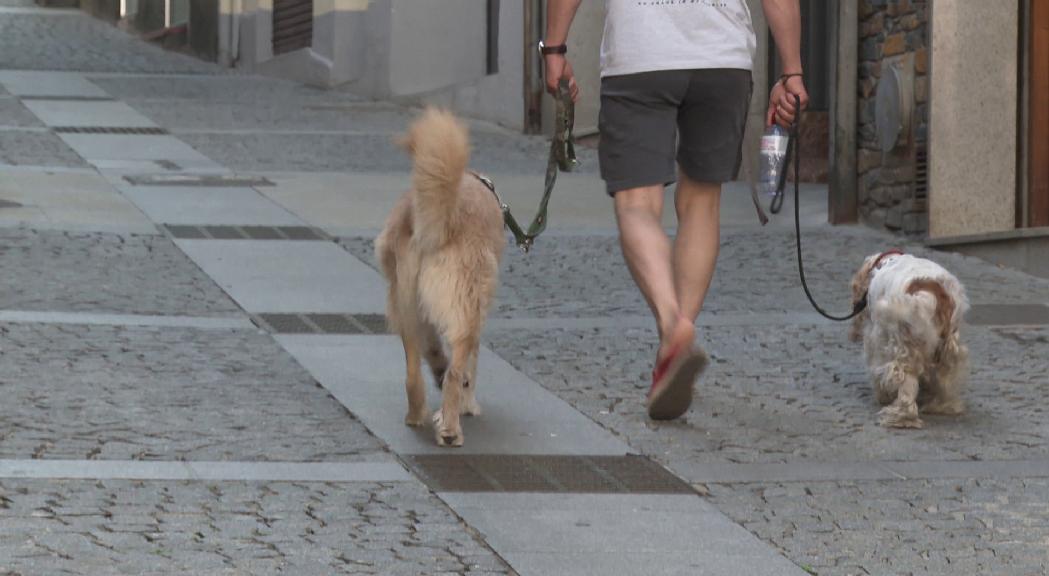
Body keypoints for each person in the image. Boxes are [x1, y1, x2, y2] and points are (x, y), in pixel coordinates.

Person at [543, 0, 809, 420]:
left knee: (636, 204)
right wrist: (791, 70)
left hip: (641, 55)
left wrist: (554, 50)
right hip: (722, 58)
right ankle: (676, 344)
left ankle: (673, 327)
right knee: (702, 202)